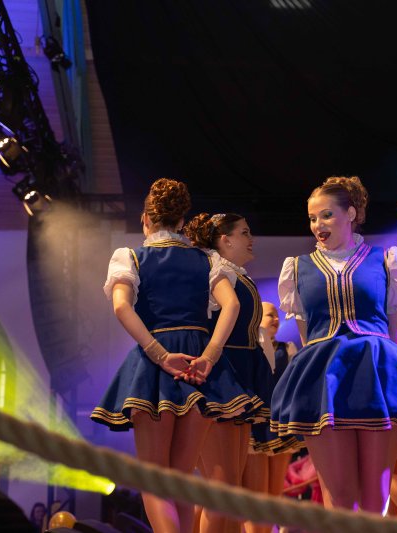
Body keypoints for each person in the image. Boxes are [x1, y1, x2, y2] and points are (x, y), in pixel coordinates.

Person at [91, 178, 258, 533]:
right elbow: (231, 305)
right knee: (181, 477)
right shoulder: (207, 259)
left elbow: (121, 307)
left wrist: (159, 353)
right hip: (199, 365)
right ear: (182, 220)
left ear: (145, 219)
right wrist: (210, 356)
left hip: (157, 364)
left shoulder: (131, 257)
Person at [271, 176, 397, 513]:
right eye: (312, 218)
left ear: (350, 214)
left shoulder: (385, 260)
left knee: (376, 494)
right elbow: (308, 337)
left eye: (327, 215)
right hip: (325, 380)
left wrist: (390, 376)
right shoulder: (297, 268)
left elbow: (394, 329)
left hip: (374, 375)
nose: (318, 225)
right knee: (339, 494)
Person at [185, 212, 273, 533]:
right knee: (221, 487)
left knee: (230, 486)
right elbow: (223, 312)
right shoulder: (215, 269)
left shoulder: (235, 274)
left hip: (241, 376)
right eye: (244, 233)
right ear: (226, 240)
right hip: (222, 377)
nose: (251, 239)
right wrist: (210, 356)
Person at [243, 302, 303, 533]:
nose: (276, 319)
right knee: (257, 498)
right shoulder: (249, 348)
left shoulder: (287, 349)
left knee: (274, 496)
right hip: (255, 425)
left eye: (277, 315)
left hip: (279, 425)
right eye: (270, 315)